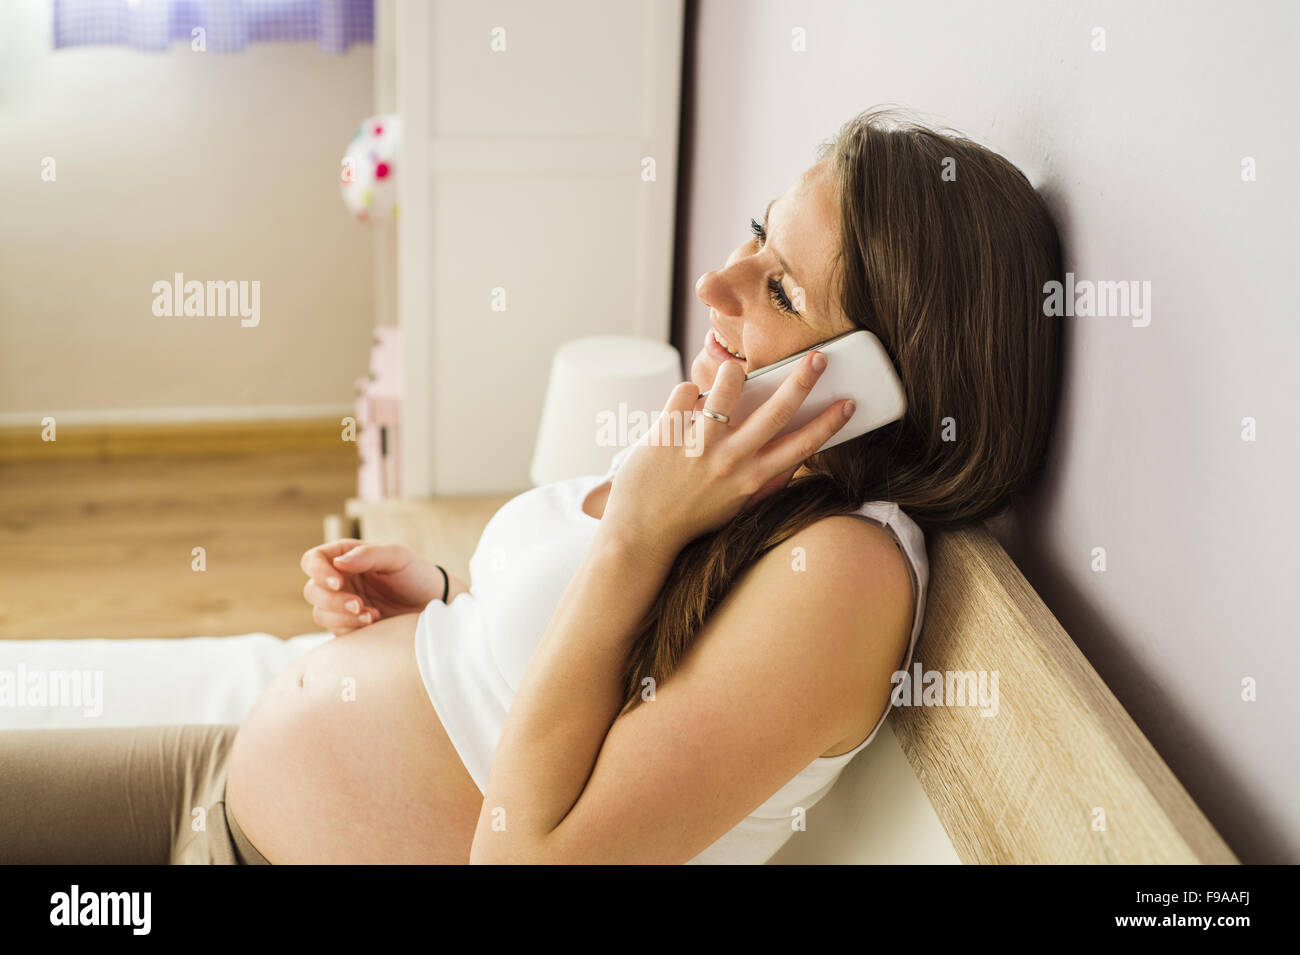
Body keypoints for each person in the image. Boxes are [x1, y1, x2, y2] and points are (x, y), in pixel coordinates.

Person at [0, 109, 1063, 864]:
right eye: (755, 233)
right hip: (215, 778)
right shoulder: (726, 456)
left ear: (885, 386)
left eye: (778, 286)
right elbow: (583, 677)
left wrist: (632, 535)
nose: (713, 284)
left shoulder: (841, 575)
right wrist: (447, 603)